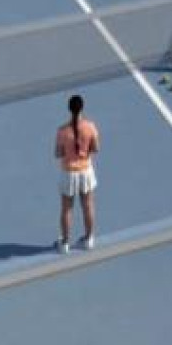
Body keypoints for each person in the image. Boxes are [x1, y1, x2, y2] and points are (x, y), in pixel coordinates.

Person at [54, 94, 100, 252]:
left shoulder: (62, 131)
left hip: (68, 173)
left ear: (69, 109)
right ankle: (88, 240)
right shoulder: (90, 126)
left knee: (67, 208)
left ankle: (65, 243)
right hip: (86, 172)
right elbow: (96, 148)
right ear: (82, 108)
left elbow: (58, 153)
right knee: (88, 205)